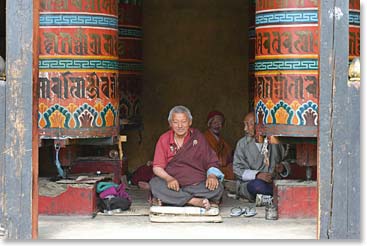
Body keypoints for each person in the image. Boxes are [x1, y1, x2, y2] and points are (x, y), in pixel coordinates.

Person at [149, 105, 224, 210]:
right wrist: (169, 178)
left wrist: (212, 176)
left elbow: (211, 160)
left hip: (196, 186)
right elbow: (157, 167)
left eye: (184, 121)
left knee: (218, 188)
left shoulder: (198, 137)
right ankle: (193, 201)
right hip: (172, 185)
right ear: (170, 124)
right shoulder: (164, 139)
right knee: (155, 184)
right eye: (175, 122)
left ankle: (173, 199)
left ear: (190, 122)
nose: (180, 126)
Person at [233, 112, 290, 206]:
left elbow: (287, 160)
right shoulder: (242, 144)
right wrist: (257, 175)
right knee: (257, 186)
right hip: (252, 184)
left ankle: (272, 197)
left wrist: (283, 167)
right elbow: (237, 170)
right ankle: (280, 197)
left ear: (259, 125)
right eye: (245, 124)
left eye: (249, 124)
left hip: (273, 182)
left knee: (282, 186)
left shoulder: (275, 141)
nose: (245, 129)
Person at [203, 110, 234, 180]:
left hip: (223, 168)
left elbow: (230, 155)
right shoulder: (204, 138)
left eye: (220, 123)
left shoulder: (223, 142)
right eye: (215, 122)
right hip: (211, 169)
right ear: (209, 124)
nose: (217, 125)